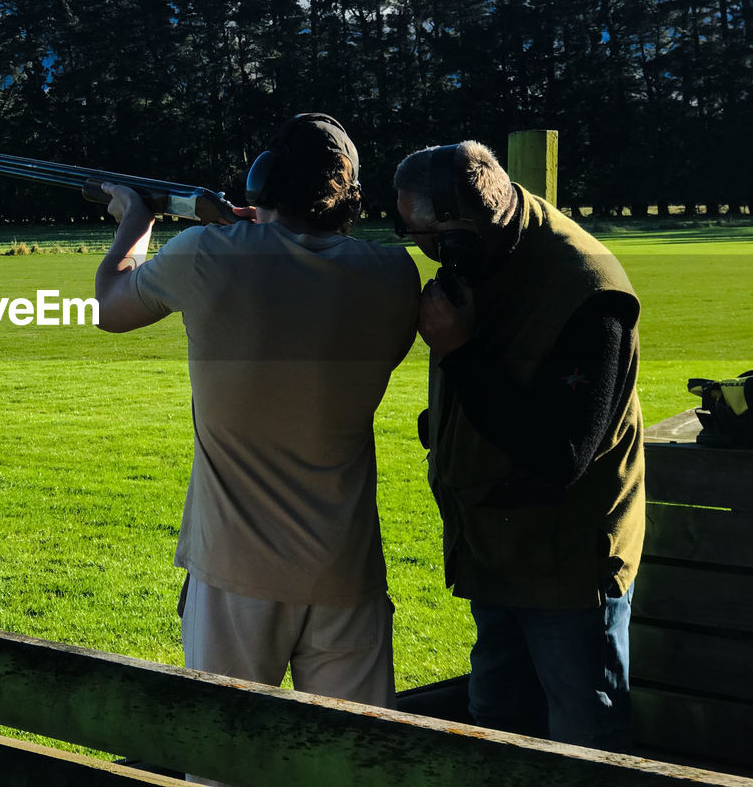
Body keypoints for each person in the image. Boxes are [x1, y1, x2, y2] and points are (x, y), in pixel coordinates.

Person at [95, 114, 418, 709]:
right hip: (346, 573)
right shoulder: (393, 274)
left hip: (233, 574)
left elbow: (112, 304)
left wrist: (135, 225)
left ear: (262, 180)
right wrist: (258, 230)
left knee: (223, 762)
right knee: (354, 765)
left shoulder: (204, 254)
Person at [392, 141, 645, 752]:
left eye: (423, 237)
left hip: (566, 562)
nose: (421, 251)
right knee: (498, 722)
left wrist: (460, 351)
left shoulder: (587, 290)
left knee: (585, 738)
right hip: (498, 546)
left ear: (460, 237)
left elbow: (561, 454)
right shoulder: (493, 257)